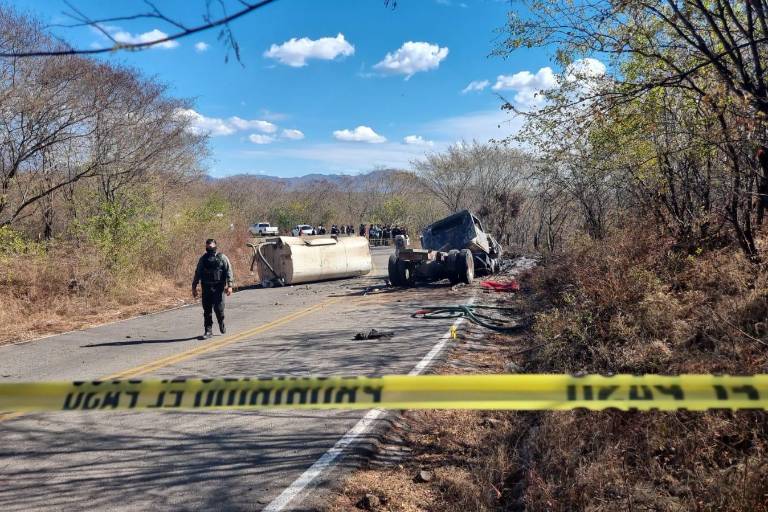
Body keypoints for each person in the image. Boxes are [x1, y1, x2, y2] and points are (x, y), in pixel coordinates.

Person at [192, 239, 234, 339]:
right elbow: (197, 272)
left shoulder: (222, 257)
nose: (209, 249)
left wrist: (230, 286)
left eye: (211, 247)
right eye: (208, 247)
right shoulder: (203, 259)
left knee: (218, 309)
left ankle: (221, 321)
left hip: (218, 287)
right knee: (207, 310)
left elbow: (229, 271)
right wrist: (194, 286)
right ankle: (208, 330)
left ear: (215, 246)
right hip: (206, 287)